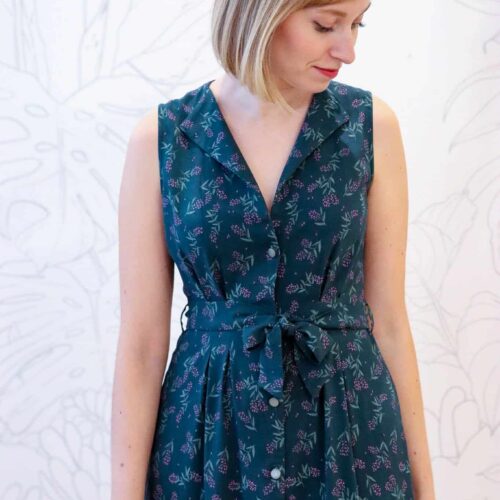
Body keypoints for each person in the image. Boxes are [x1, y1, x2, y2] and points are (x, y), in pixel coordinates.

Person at [111, 0, 436, 498]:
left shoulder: (370, 127)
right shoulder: (165, 139)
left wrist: (425, 488)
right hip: (206, 441)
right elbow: (141, 345)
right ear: (259, 14)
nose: (347, 50)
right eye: (325, 25)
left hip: (349, 432)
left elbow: (389, 321)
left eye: (357, 24)